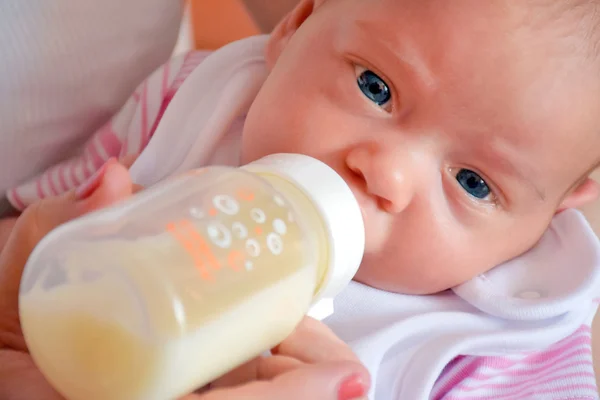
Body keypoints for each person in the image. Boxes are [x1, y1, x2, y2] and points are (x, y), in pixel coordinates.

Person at [2, 0, 600, 398]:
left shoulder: (505, 344)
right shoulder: (196, 107)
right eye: (375, 87)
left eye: (473, 182)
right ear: (296, 24)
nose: (384, 175)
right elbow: (33, 223)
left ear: (562, 203)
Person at [0, 160, 370, 400]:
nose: (387, 174)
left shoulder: (425, 357)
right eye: (374, 87)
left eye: (433, 173)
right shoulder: (187, 111)